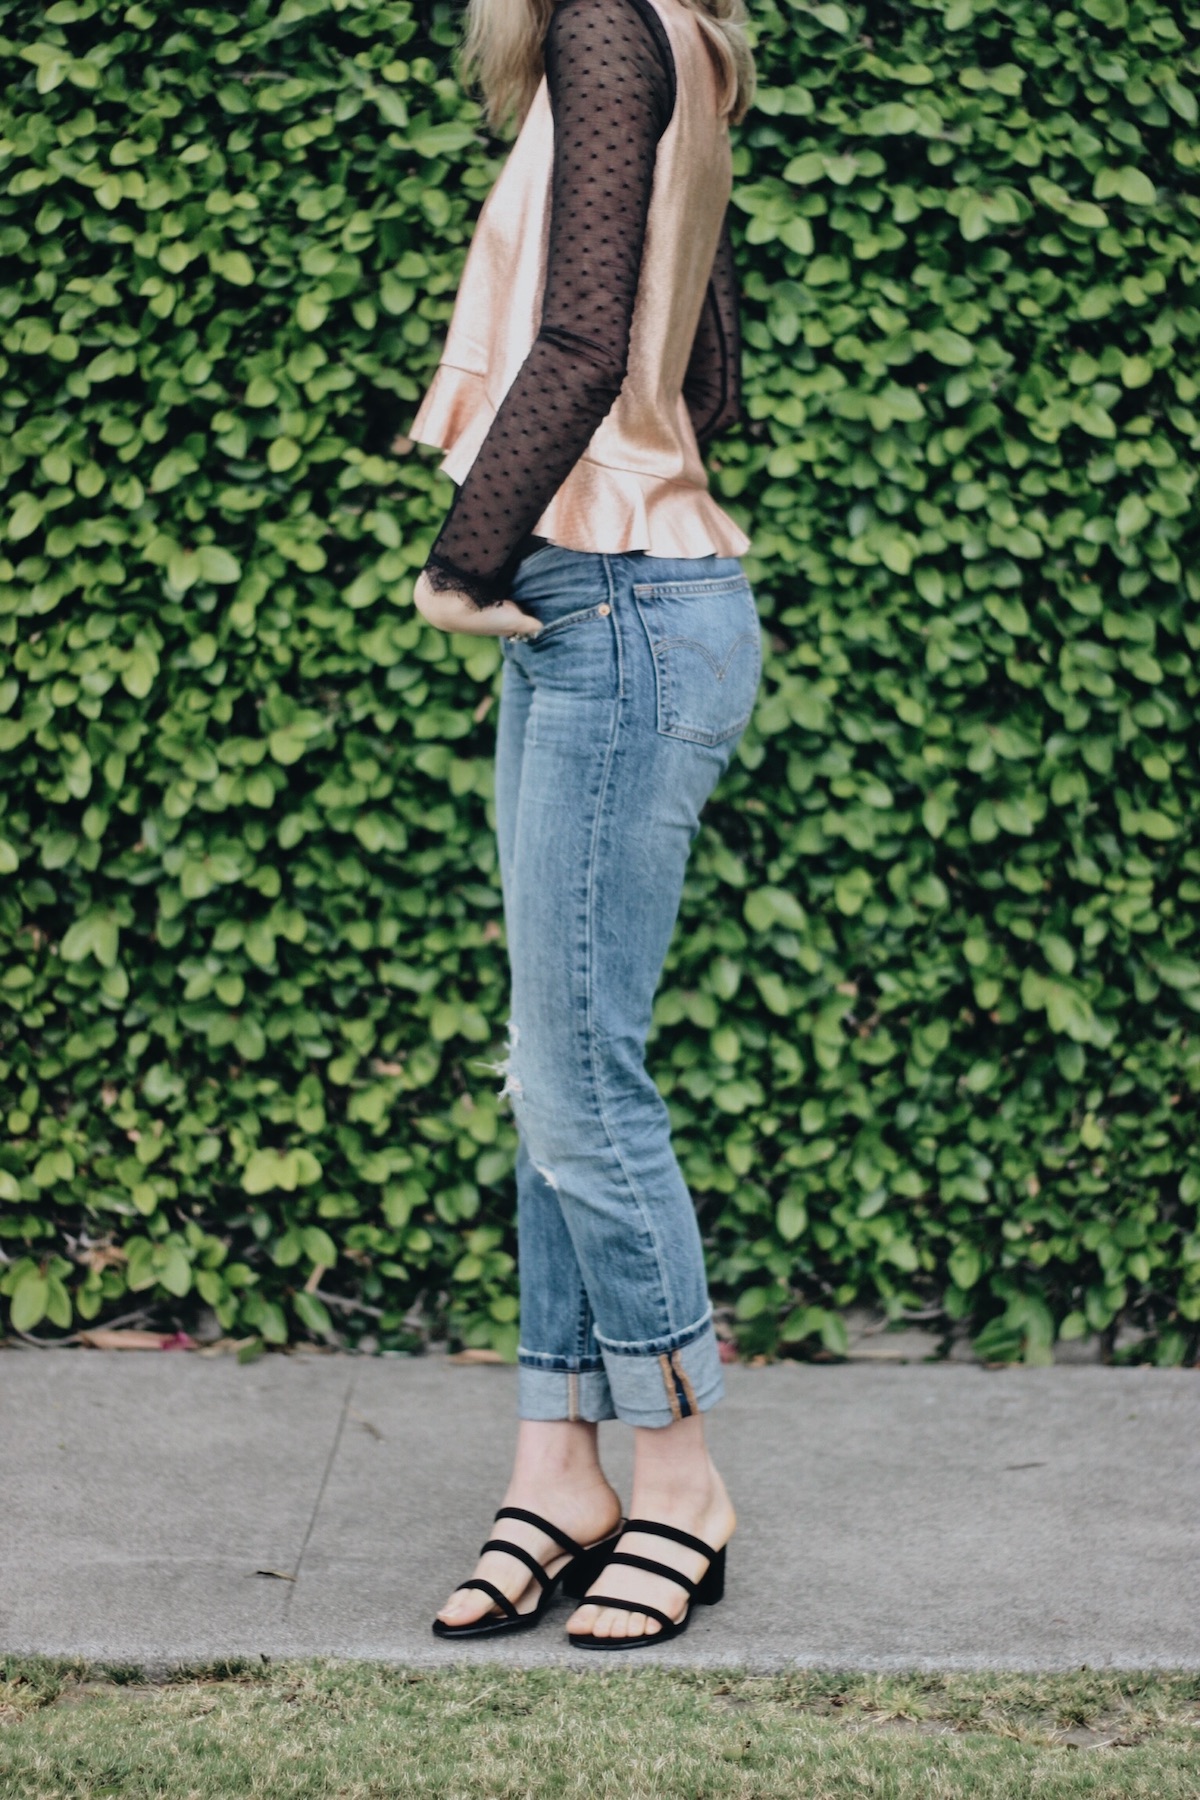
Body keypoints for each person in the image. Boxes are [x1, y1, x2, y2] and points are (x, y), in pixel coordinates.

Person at [407, 0, 759, 1649]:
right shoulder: (687, 34)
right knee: (553, 1061)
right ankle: (558, 1466)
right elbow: (709, 368)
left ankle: (678, 1474)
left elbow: (583, 339)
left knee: (582, 1078)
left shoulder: (609, 23)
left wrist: (461, 559)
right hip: (611, 598)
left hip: (611, 605)